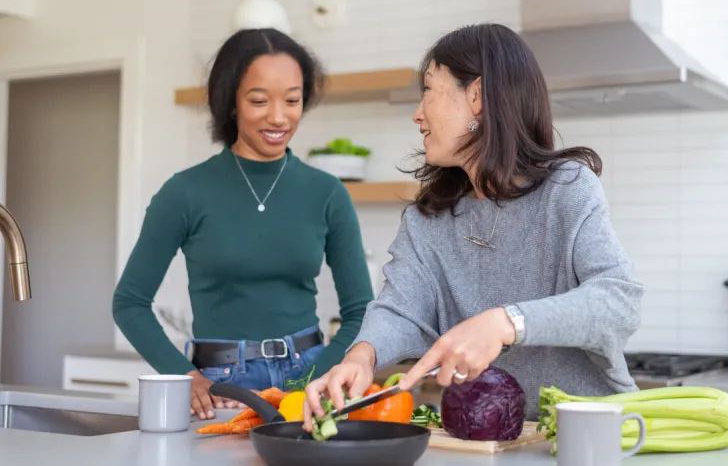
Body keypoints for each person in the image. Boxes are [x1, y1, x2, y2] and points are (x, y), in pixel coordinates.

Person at [302, 23, 643, 428]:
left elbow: (618, 303)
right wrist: (361, 356)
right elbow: (400, 310)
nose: (418, 113)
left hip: (590, 437)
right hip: (493, 439)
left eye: (428, 89)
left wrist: (506, 323)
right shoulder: (427, 219)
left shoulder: (566, 189)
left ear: (477, 97)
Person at [113, 28, 374, 421]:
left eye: (292, 100)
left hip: (309, 377)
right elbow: (129, 303)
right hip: (220, 385)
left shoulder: (328, 193)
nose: (278, 117)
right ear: (231, 102)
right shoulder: (184, 192)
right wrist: (183, 377)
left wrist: (319, 379)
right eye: (258, 100)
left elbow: (361, 312)